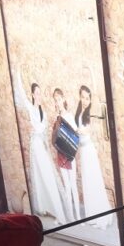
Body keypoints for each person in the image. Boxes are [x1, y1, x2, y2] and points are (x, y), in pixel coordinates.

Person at [12, 72, 67, 223]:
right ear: (33, 94)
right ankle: (50, 209)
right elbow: (21, 95)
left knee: (49, 175)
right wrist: (17, 73)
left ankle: (58, 212)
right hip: (36, 148)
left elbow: (44, 130)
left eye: (40, 93)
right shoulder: (31, 108)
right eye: (37, 93)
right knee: (43, 176)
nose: (39, 95)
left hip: (42, 147)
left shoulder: (43, 111)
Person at [75, 85, 115, 230]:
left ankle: (101, 215)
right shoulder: (80, 112)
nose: (85, 100)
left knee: (94, 181)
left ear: (90, 98)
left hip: (89, 151)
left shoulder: (90, 112)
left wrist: (80, 130)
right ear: (79, 97)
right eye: (83, 97)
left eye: (87, 98)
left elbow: (86, 130)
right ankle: (92, 215)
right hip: (83, 152)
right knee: (87, 181)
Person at [52, 87, 80, 222]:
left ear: (63, 99)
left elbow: (75, 135)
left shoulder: (68, 116)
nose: (57, 102)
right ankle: (71, 217)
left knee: (73, 185)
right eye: (55, 100)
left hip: (70, 156)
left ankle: (78, 217)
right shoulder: (57, 119)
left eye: (59, 99)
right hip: (61, 156)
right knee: (67, 186)